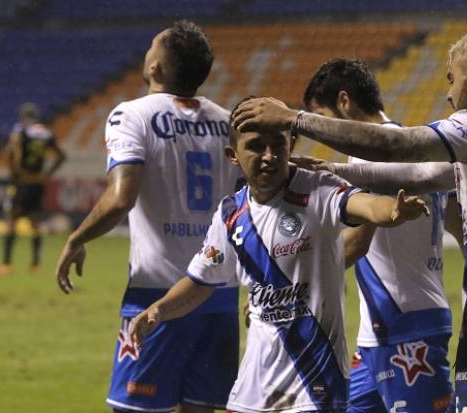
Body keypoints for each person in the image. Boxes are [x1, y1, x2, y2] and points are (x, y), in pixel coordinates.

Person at [231, 24, 467, 413]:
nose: (448, 92)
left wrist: (296, 120)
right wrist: (330, 170)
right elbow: (423, 176)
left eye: (452, 78)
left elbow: (398, 147)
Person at [129, 120, 431, 413]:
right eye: (256, 147)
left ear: (292, 146)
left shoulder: (317, 188)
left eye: (278, 145)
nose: (269, 156)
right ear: (232, 155)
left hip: (314, 387)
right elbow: (201, 280)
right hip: (253, 389)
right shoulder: (231, 214)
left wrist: (392, 210)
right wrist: (159, 310)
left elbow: (362, 204)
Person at [55, 21, 241, 413]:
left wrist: (77, 238)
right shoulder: (228, 123)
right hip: (218, 292)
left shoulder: (132, 114)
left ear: (155, 68)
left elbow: (121, 198)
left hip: (157, 292)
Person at [298, 58, 455, 413]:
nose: (323, 135)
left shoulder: (373, 160)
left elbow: (355, 244)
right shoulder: (412, 146)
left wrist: (293, 276)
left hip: (407, 325)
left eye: (322, 120)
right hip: (382, 331)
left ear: (344, 102)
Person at [0, 102, 66, 275]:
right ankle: (35, 265)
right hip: (38, 183)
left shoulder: (20, 131)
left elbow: (12, 153)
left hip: (23, 182)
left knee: (12, 220)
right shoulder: (46, 133)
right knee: (35, 222)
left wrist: (14, 173)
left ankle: (6, 264)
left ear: (23, 116)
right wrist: (47, 173)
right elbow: (61, 156)